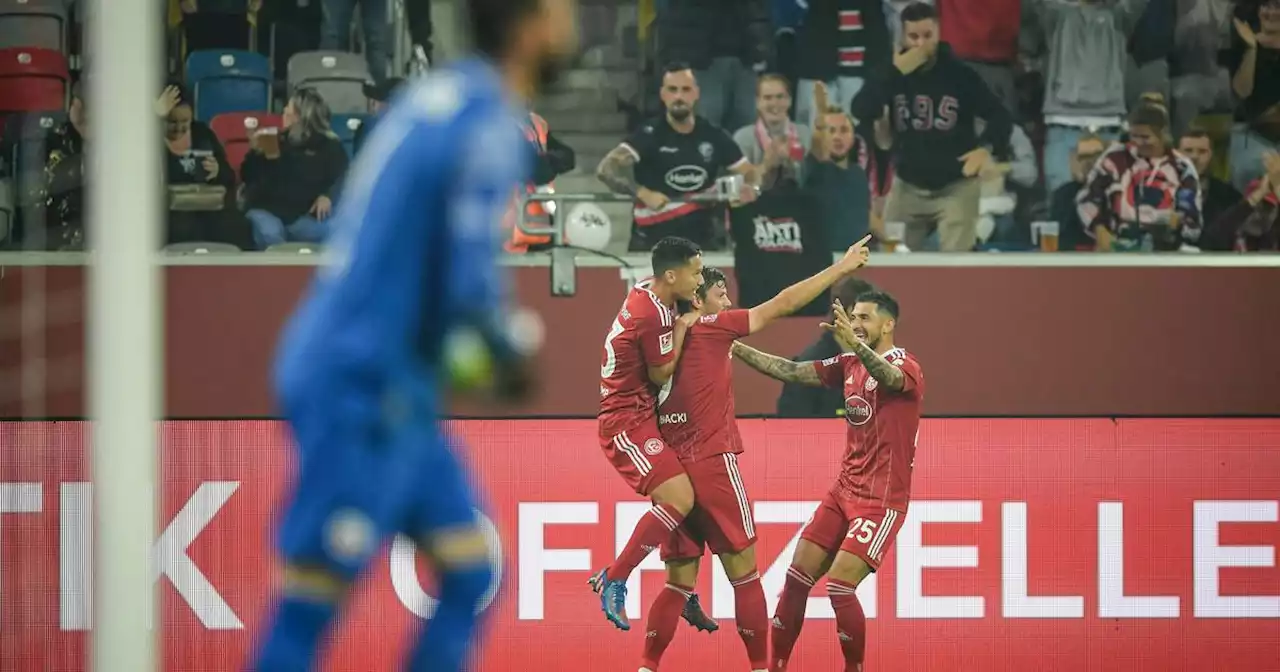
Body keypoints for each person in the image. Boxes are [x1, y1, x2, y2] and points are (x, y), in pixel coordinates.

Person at [249, 1, 578, 670]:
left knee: (471, 571)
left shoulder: (431, 98)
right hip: (360, 385)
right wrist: (507, 350)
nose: (575, 26)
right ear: (532, 24)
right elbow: (467, 283)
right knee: (310, 603)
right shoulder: (487, 124)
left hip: (394, 385)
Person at [643, 238, 872, 672]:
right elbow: (785, 302)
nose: (728, 301)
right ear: (699, 297)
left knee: (677, 584)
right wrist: (840, 268)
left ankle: (646, 665)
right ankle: (761, 669)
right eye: (719, 292)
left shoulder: (659, 336)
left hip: (669, 469)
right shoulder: (713, 324)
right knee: (745, 575)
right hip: (711, 462)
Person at [731, 291, 925, 672]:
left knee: (839, 586)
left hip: (881, 500)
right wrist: (733, 345)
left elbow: (888, 377)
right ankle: (776, 667)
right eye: (854, 317)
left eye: (866, 317)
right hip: (843, 492)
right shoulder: (848, 363)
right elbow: (788, 370)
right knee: (796, 577)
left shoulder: (906, 364)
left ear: (888, 325)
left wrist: (856, 346)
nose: (857, 324)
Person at [589, 236, 705, 631]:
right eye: (696, 272)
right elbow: (661, 372)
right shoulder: (653, 315)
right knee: (679, 497)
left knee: (687, 495)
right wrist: (686, 326)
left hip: (642, 417)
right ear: (671, 275)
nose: (700, 280)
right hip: (626, 422)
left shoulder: (647, 289)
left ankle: (684, 588)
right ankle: (615, 576)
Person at [850, 2, 1012, 252]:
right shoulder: (892, 74)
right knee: (892, 268)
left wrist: (986, 148)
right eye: (913, 36)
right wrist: (893, 73)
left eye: (928, 36)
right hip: (908, 186)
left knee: (956, 271)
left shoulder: (959, 74)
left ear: (938, 33)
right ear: (903, 36)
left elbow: (1000, 115)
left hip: (956, 186)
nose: (921, 44)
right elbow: (860, 109)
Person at [596, 63, 757, 251]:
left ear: (696, 93)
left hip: (701, 245)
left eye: (685, 89)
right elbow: (605, 170)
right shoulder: (648, 134)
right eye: (673, 90)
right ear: (663, 95)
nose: (679, 97)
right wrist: (642, 193)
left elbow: (750, 173)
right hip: (651, 244)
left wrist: (749, 188)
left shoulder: (714, 136)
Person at [1077, 102, 1202, 251]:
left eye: (1145, 137)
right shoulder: (1115, 159)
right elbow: (1087, 198)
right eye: (1133, 136)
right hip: (1116, 248)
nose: (1138, 143)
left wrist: (1180, 222)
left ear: (1163, 134)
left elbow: (1192, 220)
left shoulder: (1182, 167)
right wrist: (1099, 229)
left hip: (1165, 251)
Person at [242, 87, 349, 249]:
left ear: (300, 117)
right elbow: (247, 176)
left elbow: (344, 178)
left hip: (301, 216)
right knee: (271, 234)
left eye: (289, 108)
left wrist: (327, 195)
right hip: (266, 209)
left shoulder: (329, 146)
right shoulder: (273, 140)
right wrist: (255, 154)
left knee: (335, 231)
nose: (284, 110)